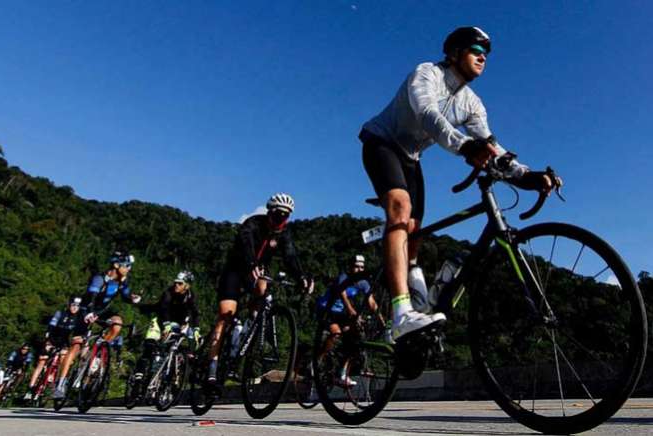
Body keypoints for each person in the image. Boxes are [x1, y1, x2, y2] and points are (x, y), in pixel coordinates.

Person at [359, 26, 561, 342]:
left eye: (486, 55)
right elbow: (428, 115)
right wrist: (464, 146)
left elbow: (492, 147)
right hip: (381, 142)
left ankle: (414, 296)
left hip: (411, 157)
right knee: (400, 208)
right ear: (454, 53)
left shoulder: (472, 103)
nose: (483, 59)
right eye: (476, 52)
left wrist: (526, 175)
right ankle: (400, 313)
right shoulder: (426, 74)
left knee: (415, 233)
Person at [207, 193, 313, 383]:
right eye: (277, 214)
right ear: (269, 212)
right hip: (236, 270)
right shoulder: (253, 223)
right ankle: (212, 369)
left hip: (258, 272)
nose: (280, 219)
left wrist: (302, 278)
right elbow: (246, 243)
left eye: (285, 215)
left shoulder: (284, 233)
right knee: (226, 315)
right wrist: (251, 262)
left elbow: (290, 256)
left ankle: (248, 334)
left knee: (263, 299)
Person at [53, 253, 141, 399]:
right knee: (76, 345)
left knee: (117, 323)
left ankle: (101, 348)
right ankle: (61, 383)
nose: (129, 269)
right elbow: (92, 297)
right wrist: (90, 313)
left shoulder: (122, 281)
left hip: (102, 311)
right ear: (116, 266)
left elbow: (125, 296)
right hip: (86, 310)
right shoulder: (99, 278)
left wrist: (132, 298)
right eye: (126, 266)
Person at [316, 255, 384, 386]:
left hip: (341, 313)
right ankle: (318, 360)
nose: (359, 270)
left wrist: (381, 320)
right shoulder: (343, 278)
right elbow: (343, 296)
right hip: (326, 309)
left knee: (354, 339)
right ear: (350, 267)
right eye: (356, 267)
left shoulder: (363, 282)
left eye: (362, 267)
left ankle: (341, 373)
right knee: (336, 333)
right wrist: (352, 312)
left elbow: (371, 302)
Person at [134, 270, 200, 382]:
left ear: (187, 286)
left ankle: (170, 374)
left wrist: (196, 329)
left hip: (176, 324)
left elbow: (195, 312)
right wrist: (166, 325)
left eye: (180, 283)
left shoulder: (190, 296)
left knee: (173, 348)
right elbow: (164, 308)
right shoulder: (169, 292)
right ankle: (138, 376)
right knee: (149, 347)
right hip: (161, 320)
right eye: (175, 282)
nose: (176, 285)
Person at [24, 296, 86, 400]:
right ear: (69, 305)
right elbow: (51, 326)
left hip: (65, 342)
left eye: (77, 306)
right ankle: (30, 388)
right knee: (42, 362)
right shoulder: (60, 313)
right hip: (52, 339)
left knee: (63, 360)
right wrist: (48, 341)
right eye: (73, 305)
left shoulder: (79, 318)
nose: (75, 308)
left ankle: (57, 386)